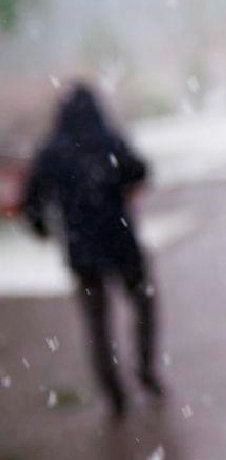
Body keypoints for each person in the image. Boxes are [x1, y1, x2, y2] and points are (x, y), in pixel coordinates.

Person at [21, 83, 162, 418]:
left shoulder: (51, 150)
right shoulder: (108, 141)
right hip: (120, 241)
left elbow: (32, 200)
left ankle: (113, 393)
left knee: (97, 323)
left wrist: (40, 226)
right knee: (143, 303)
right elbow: (139, 170)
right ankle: (146, 370)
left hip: (81, 250)